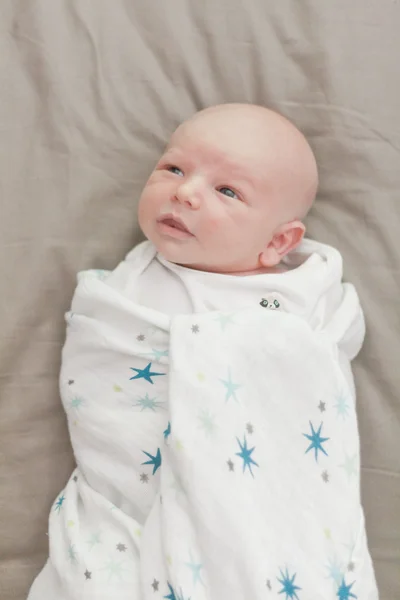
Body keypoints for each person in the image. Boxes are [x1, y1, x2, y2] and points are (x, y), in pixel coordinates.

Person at [28, 104, 379, 600]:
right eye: (174, 168)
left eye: (227, 191)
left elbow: (314, 372)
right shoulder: (127, 288)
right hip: (131, 505)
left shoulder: (304, 300)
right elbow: (102, 362)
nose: (185, 192)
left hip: (252, 497)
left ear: (278, 241)